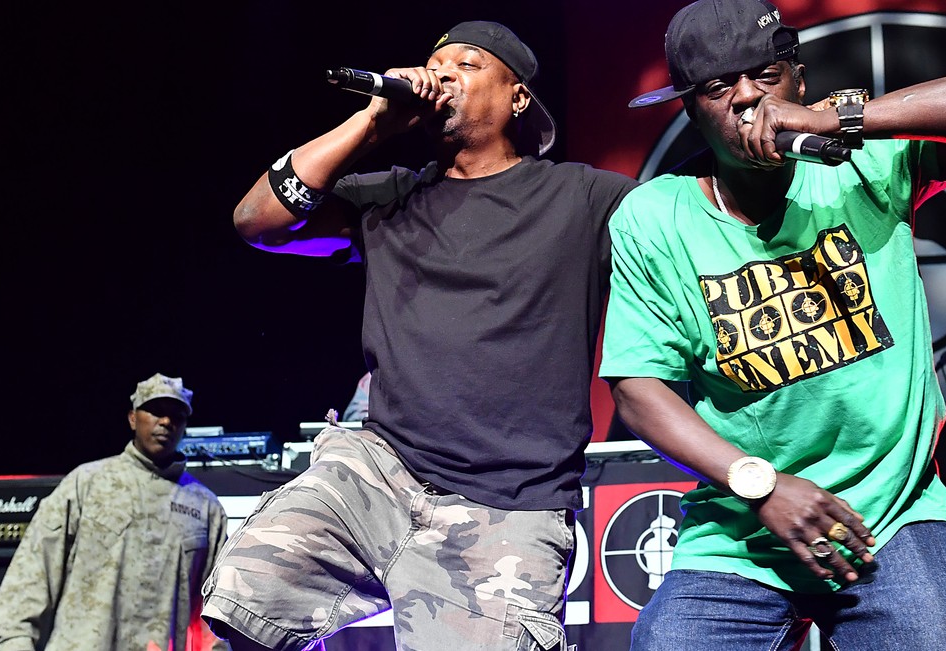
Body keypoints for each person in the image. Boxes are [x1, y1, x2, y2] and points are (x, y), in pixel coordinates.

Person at [599, 0, 946, 648]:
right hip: (740, 533)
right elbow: (639, 389)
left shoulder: (863, 162)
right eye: (721, 88)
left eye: (766, 75)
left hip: (889, 516)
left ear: (799, 81)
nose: (750, 100)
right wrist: (761, 485)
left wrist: (839, 119)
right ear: (692, 109)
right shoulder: (653, 217)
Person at [202, 20, 637, 651]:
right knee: (246, 606)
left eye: (469, 63)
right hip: (378, 471)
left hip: (507, 504)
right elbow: (258, 220)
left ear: (518, 98)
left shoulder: (582, 196)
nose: (446, 74)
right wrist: (373, 123)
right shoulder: (390, 198)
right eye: (439, 63)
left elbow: (691, 227)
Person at [0, 373, 229, 651]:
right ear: (133, 418)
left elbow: (215, 614)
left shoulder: (206, 509)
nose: (166, 422)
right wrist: (13, 642)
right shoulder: (87, 483)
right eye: (156, 411)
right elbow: (34, 568)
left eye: (177, 415)